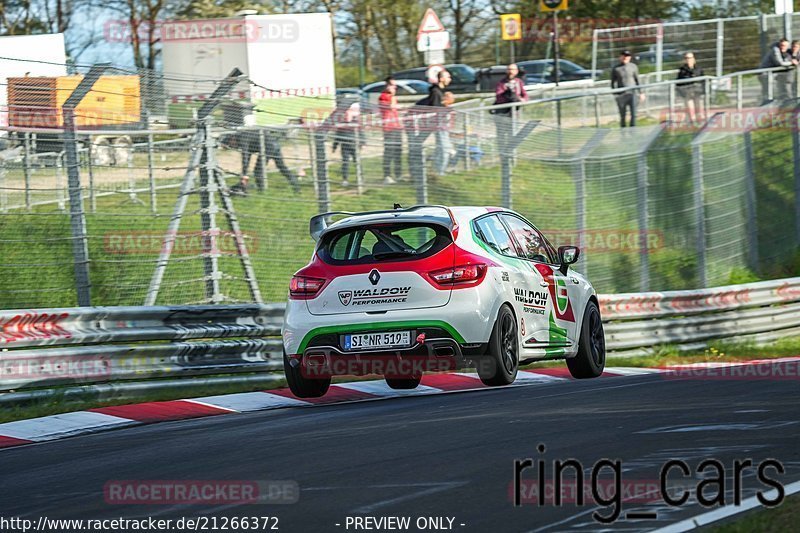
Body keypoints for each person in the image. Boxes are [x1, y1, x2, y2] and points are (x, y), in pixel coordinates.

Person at [492, 63, 528, 159]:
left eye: (512, 69)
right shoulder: (501, 83)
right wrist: (508, 97)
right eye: (508, 69)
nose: (510, 71)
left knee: (513, 133)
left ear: (516, 71)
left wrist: (521, 99)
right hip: (502, 113)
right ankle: (503, 155)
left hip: (514, 113)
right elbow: (499, 96)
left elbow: (524, 95)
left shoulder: (518, 82)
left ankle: (512, 155)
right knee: (502, 135)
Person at [331, 97, 360, 187]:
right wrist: (334, 146)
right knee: (345, 162)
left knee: (357, 162)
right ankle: (345, 179)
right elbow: (337, 135)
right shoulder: (341, 124)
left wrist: (363, 142)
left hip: (354, 144)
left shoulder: (355, 122)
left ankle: (360, 178)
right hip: (345, 145)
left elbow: (361, 131)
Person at [611, 51, 643, 127]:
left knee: (634, 114)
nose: (625, 58)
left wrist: (641, 92)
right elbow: (612, 83)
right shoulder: (616, 68)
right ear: (620, 57)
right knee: (622, 115)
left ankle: (633, 131)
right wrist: (615, 94)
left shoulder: (633, 67)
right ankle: (623, 132)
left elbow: (637, 80)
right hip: (621, 94)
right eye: (624, 56)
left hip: (632, 93)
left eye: (627, 56)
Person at [378, 77, 401, 184]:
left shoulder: (392, 97)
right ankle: (387, 175)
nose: (394, 87)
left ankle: (398, 174)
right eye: (392, 85)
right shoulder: (383, 97)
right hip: (389, 128)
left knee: (398, 152)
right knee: (389, 152)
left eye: (395, 85)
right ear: (387, 85)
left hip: (397, 127)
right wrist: (392, 96)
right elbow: (391, 107)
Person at [759, 38, 797, 103]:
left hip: (773, 74)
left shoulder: (784, 52)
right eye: (782, 45)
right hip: (765, 74)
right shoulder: (775, 50)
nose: (783, 47)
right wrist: (792, 63)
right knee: (768, 93)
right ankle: (766, 106)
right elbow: (780, 63)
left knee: (777, 91)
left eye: (785, 46)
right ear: (779, 45)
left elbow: (787, 59)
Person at [430, 69, 452, 176]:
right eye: (448, 77)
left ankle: (436, 170)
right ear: (442, 79)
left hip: (443, 125)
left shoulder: (441, 92)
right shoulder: (436, 93)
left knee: (441, 149)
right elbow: (435, 109)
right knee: (445, 150)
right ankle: (439, 172)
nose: (450, 79)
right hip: (439, 125)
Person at [676, 52, 705, 125]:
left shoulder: (699, 69)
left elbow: (703, 80)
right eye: (687, 58)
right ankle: (692, 122)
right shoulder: (682, 70)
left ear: (694, 59)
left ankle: (701, 122)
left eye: (690, 58)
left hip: (697, 92)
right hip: (688, 93)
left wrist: (704, 90)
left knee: (699, 108)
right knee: (690, 108)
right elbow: (679, 82)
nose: (688, 60)